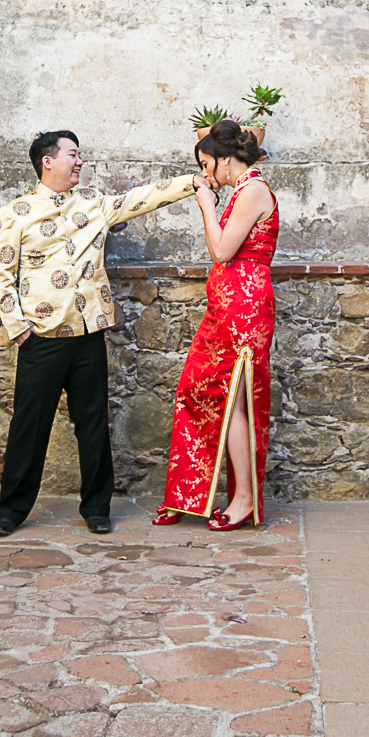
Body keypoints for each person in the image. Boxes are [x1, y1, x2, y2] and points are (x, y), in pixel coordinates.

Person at [0, 131, 196, 538]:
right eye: (72, 155)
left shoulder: (94, 205)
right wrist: (19, 330)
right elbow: (2, 273)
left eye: (79, 155)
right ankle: (11, 509)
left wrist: (192, 183)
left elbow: (140, 198)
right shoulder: (16, 212)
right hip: (42, 338)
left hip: (88, 335)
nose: (79, 162)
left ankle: (97, 507)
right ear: (48, 161)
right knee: (30, 426)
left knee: (93, 423)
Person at [154, 119, 278, 532]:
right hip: (225, 307)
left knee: (234, 401)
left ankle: (243, 498)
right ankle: (189, 494)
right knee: (197, 389)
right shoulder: (243, 191)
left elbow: (224, 250)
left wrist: (206, 206)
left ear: (227, 162)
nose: (206, 175)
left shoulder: (254, 190)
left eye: (208, 165)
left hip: (244, 308)